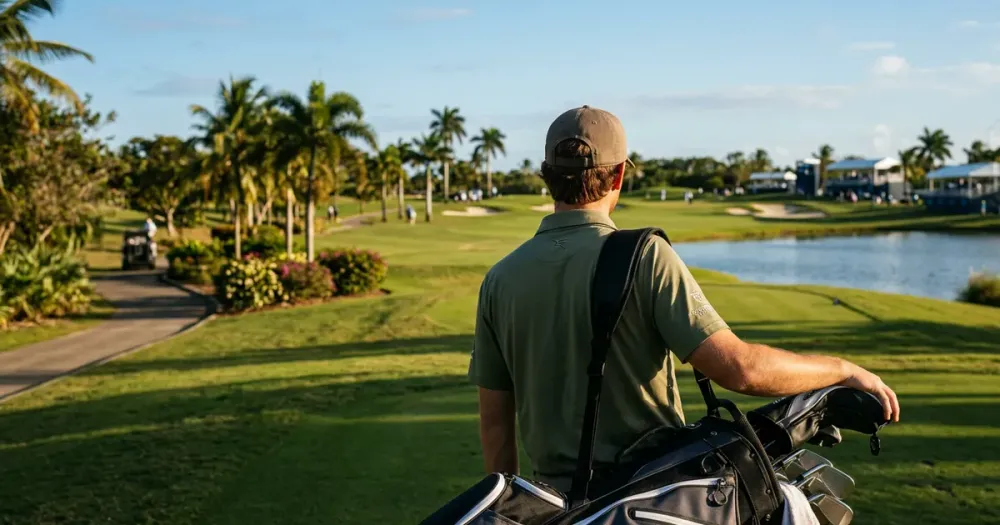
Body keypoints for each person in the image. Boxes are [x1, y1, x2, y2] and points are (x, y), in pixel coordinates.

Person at [468, 105, 900, 493]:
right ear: (619, 175)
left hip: (561, 511)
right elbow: (740, 370)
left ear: (546, 174)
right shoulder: (645, 257)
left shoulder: (500, 279)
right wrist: (840, 370)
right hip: (649, 502)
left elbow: (495, 425)